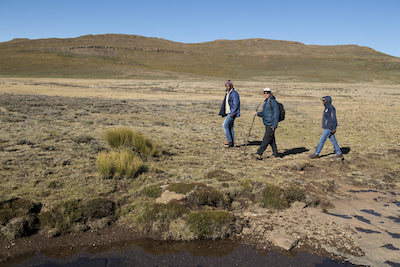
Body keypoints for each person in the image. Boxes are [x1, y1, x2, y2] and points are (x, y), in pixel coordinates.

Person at [251, 87, 279, 159]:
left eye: (267, 92)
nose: (266, 94)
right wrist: (258, 114)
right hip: (267, 123)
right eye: (264, 93)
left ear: (270, 93)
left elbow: (276, 114)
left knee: (266, 139)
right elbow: (264, 113)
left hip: (271, 124)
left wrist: (274, 125)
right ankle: (275, 154)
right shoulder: (266, 101)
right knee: (271, 139)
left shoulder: (273, 102)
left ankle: (259, 153)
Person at [219, 80, 240, 147]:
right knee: (230, 127)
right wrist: (223, 113)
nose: (227, 87)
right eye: (226, 86)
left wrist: (232, 113)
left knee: (224, 125)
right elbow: (225, 104)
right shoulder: (228, 93)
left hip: (231, 113)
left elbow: (236, 104)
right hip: (228, 112)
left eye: (228, 86)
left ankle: (229, 141)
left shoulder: (234, 94)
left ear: (231, 86)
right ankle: (232, 142)